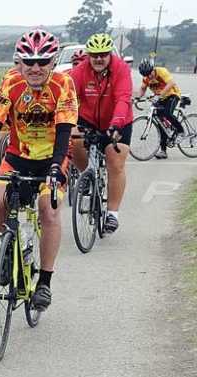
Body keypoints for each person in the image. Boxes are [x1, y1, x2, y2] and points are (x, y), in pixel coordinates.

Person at [0, 29, 78, 312]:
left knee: (48, 209)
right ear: (20, 62)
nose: (36, 68)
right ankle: (9, 253)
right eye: (29, 62)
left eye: (43, 61)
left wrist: (56, 167)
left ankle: (44, 282)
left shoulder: (64, 84)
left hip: (52, 158)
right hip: (18, 156)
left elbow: (65, 130)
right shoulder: (11, 82)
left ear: (53, 61)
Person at [70, 33, 132, 234]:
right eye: (94, 55)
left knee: (115, 160)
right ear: (88, 55)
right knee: (74, 140)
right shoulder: (79, 71)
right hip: (88, 119)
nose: (99, 59)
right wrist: (67, 123)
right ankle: (85, 175)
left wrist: (116, 125)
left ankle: (113, 213)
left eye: (103, 54)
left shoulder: (121, 69)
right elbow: (68, 99)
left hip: (118, 119)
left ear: (110, 54)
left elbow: (123, 99)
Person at [137, 58, 184, 159]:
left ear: (153, 69)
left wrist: (160, 95)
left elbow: (171, 83)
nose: (149, 76)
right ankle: (163, 151)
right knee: (161, 123)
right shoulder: (146, 78)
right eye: (146, 75)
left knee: (167, 113)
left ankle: (180, 131)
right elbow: (143, 88)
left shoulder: (161, 71)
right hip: (160, 98)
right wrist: (137, 98)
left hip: (172, 95)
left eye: (150, 73)